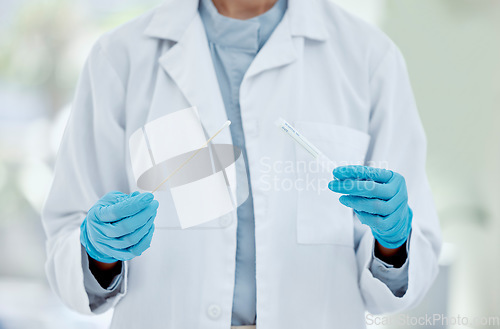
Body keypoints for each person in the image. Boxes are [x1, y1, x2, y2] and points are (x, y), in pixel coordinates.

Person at [42, 0, 442, 328]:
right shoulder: (120, 57)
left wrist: (393, 244)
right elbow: (66, 238)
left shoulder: (369, 59)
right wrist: (99, 253)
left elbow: (406, 271)